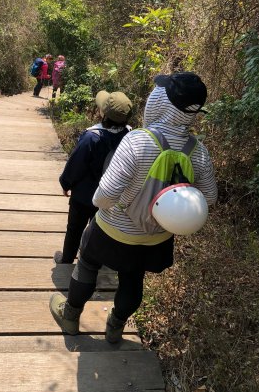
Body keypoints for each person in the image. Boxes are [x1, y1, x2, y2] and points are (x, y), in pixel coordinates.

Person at [50, 72, 218, 342]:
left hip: (113, 230)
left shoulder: (138, 140)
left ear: (162, 102)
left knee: (88, 265)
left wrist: (117, 206)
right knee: (133, 277)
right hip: (157, 237)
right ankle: (115, 327)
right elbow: (208, 197)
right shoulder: (197, 151)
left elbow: (103, 196)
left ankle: (70, 316)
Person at [55, 90, 132, 264]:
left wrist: (65, 183)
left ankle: (67, 259)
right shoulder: (129, 135)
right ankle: (93, 262)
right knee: (99, 229)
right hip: (110, 195)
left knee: (75, 227)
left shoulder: (92, 137)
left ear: (103, 113)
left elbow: (76, 164)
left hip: (83, 195)